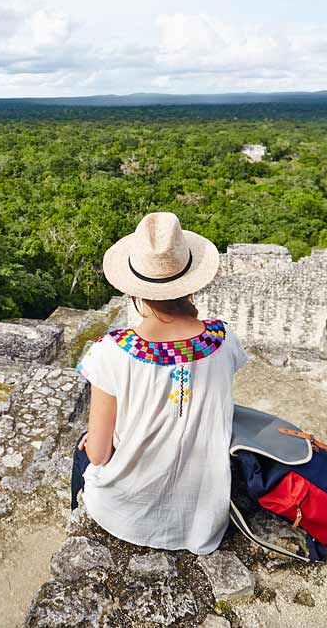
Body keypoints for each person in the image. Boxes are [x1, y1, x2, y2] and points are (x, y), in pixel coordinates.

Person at [70, 211, 249, 555]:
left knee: (84, 447)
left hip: (125, 514)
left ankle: (81, 522)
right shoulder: (223, 339)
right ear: (190, 284)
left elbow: (99, 454)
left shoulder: (112, 350)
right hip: (201, 515)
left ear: (136, 291)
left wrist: (95, 437)